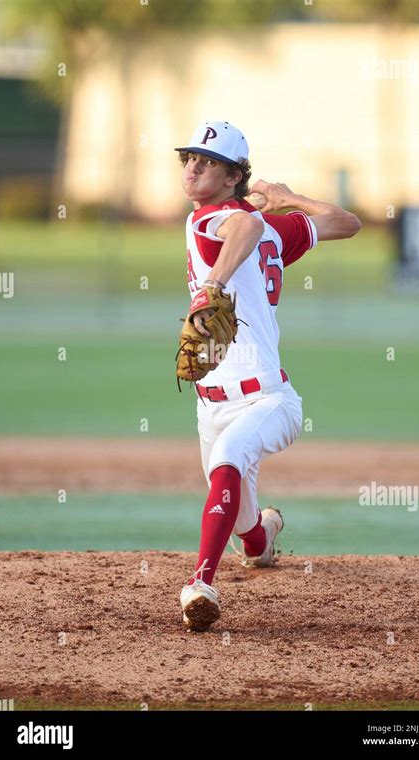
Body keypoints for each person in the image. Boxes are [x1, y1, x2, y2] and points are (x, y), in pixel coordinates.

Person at [175, 120, 361, 632]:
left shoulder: (216, 220)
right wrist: (290, 202)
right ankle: (264, 536)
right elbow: (345, 222)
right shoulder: (272, 227)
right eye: (188, 158)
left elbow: (246, 226)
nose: (192, 168)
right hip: (210, 403)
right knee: (246, 530)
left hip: (268, 400)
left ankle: (201, 586)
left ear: (235, 175)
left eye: (207, 162)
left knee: (230, 459)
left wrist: (210, 283)